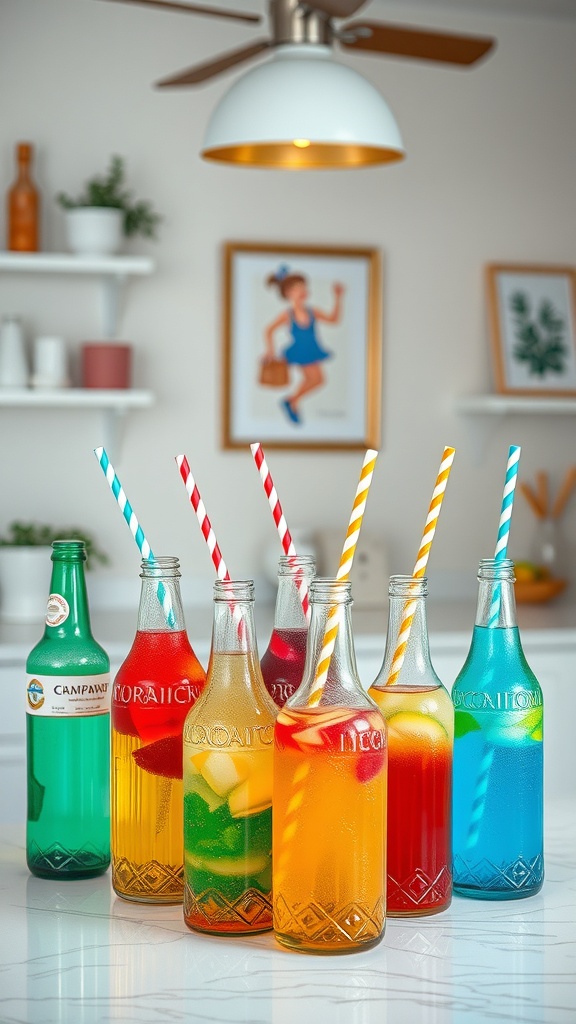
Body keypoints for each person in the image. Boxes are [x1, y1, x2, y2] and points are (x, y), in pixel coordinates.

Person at [263, 265, 344, 425]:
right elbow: (269, 330)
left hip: (312, 349)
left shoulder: (312, 311)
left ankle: (291, 401)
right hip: (300, 352)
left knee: (315, 379)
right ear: (288, 294)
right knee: (318, 379)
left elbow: (333, 320)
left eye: (303, 287)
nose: (302, 291)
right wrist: (270, 351)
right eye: (297, 288)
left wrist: (337, 298)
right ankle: (291, 401)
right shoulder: (288, 315)